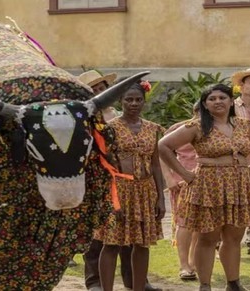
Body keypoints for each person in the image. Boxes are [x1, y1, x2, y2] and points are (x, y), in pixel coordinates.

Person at [159, 84, 250, 291]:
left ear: (230, 101)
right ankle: (205, 285)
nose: (217, 101)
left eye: (222, 97)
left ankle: (233, 283)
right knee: (208, 237)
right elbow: (163, 146)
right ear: (205, 104)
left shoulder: (244, 125)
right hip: (208, 185)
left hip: (238, 186)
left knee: (234, 238)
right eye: (212, 99)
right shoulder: (197, 126)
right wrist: (184, 174)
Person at [95, 80, 166, 291]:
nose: (133, 103)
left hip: (145, 190)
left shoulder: (152, 129)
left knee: (142, 243)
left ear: (144, 102)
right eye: (129, 99)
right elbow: (102, 163)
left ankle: (138, 288)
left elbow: (155, 164)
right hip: (118, 189)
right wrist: (108, 197)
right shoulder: (110, 129)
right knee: (111, 243)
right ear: (120, 101)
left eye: (138, 100)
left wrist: (160, 198)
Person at [160, 102, 199, 281]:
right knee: (184, 222)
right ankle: (184, 264)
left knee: (203, 224)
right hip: (182, 181)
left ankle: (194, 262)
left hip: (208, 181)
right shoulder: (181, 128)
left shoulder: (218, 128)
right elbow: (161, 151)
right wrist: (169, 178)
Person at [231, 68, 250, 256]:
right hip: (236, 163)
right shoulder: (232, 107)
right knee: (236, 204)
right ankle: (225, 243)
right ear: (242, 85)